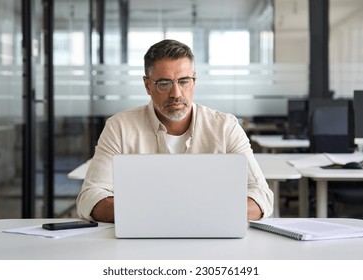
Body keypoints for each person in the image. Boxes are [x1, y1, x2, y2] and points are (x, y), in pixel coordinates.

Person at [76, 39, 273, 222]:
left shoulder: (225, 127)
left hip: (211, 238)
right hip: (141, 239)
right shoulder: (119, 127)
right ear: (147, 85)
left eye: (184, 81)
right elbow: (90, 198)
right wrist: (159, 215)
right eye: (164, 83)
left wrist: (189, 215)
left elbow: (261, 196)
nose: (176, 94)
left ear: (194, 81)